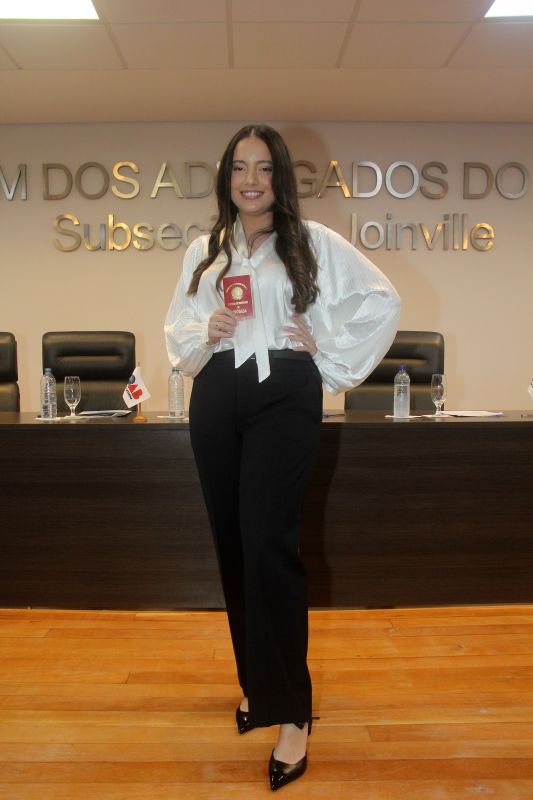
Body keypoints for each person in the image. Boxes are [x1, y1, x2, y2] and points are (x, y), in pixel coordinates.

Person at [164, 124, 400, 791]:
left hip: (285, 391)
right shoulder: (205, 250)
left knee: (271, 545)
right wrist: (204, 329)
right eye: (240, 167)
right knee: (234, 546)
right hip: (217, 393)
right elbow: (177, 329)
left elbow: (382, 299)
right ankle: (257, 687)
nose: (251, 180)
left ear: (280, 178)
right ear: (226, 177)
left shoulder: (312, 242)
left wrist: (325, 346)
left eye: (264, 168)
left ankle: (292, 711)